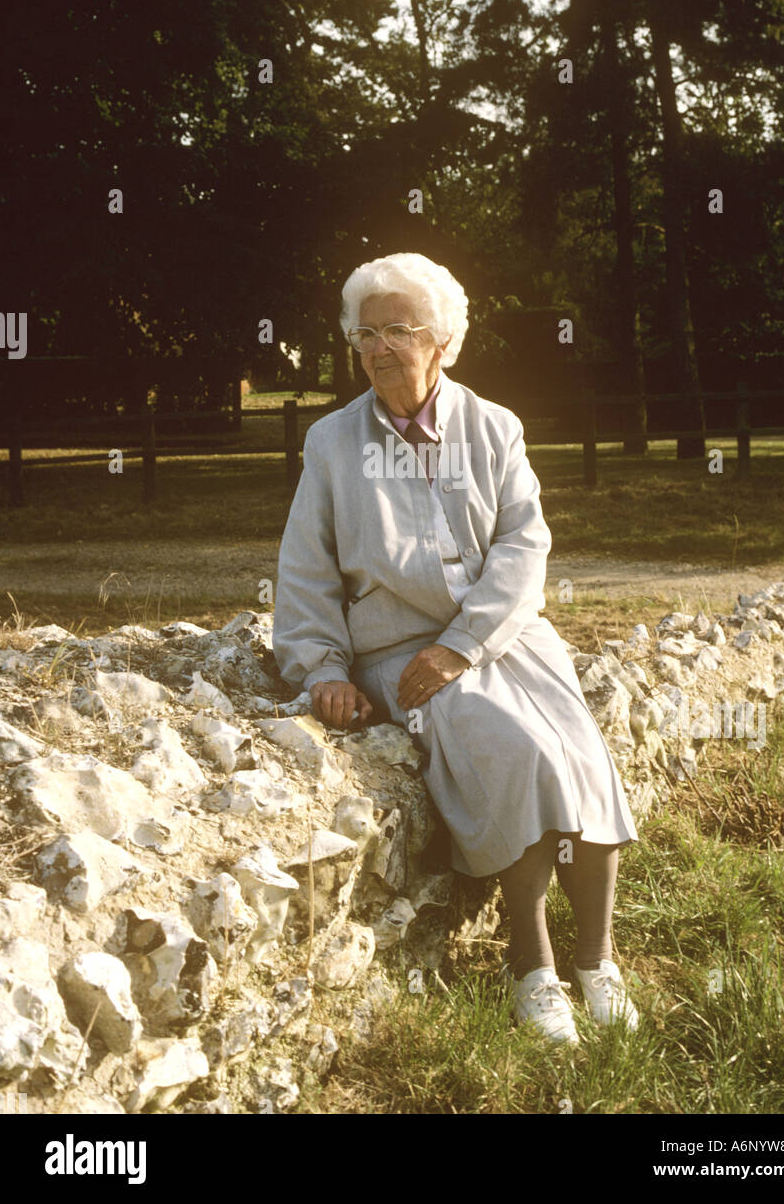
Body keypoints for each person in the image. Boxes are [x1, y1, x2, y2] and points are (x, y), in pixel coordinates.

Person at [272, 253, 639, 1044]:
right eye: (363, 333)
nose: (377, 348)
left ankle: (595, 961)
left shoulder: (494, 425)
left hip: (502, 636)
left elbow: (522, 547)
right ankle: (530, 965)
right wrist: (324, 669)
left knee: (578, 754)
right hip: (400, 649)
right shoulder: (332, 442)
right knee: (513, 750)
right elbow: (304, 570)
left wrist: (467, 642)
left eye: (397, 330)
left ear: (444, 343)